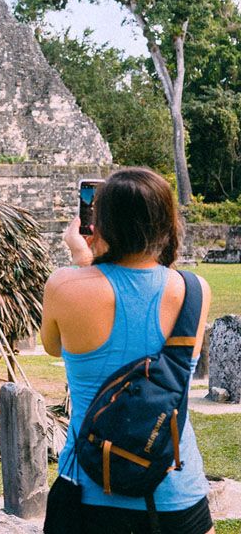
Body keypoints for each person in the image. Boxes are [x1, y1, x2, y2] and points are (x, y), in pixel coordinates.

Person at [40, 167, 215, 534]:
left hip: (89, 487)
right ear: (166, 222)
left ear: (99, 224)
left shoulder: (63, 286)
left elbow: (52, 347)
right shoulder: (195, 290)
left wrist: (80, 256)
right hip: (175, 487)